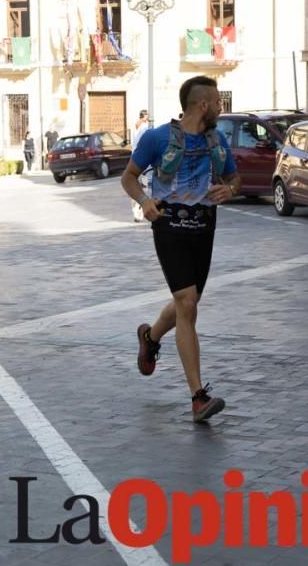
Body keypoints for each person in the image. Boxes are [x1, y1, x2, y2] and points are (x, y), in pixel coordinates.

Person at [120, 76, 242, 423]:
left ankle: (150, 336)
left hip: (204, 227)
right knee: (187, 305)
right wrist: (144, 201)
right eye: (218, 102)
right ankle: (198, 398)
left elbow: (235, 178)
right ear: (203, 105)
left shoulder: (216, 141)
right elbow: (128, 176)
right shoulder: (157, 138)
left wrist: (229, 190)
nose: (221, 107)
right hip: (169, 224)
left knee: (187, 303)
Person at [130, 109, 151, 222]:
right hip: (143, 159)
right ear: (145, 116)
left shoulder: (135, 125)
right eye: (147, 115)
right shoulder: (145, 126)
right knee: (144, 187)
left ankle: (136, 211)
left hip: (134, 157)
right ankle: (141, 212)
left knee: (135, 184)